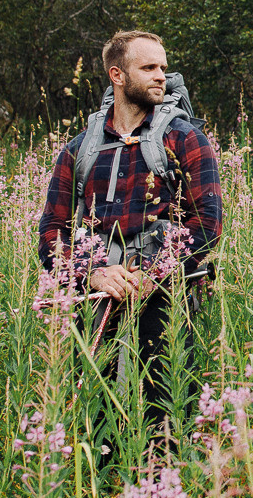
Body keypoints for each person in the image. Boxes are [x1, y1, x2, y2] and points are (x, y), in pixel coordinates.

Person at [37, 30, 222, 455]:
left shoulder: (184, 139)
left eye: (163, 66)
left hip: (168, 303)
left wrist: (152, 274)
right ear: (117, 75)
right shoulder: (80, 149)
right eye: (149, 68)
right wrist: (92, 273)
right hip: (97, 301)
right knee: (96, 422)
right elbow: (52, 231)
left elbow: (207, 223)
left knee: (165, 423)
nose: (162, 76)